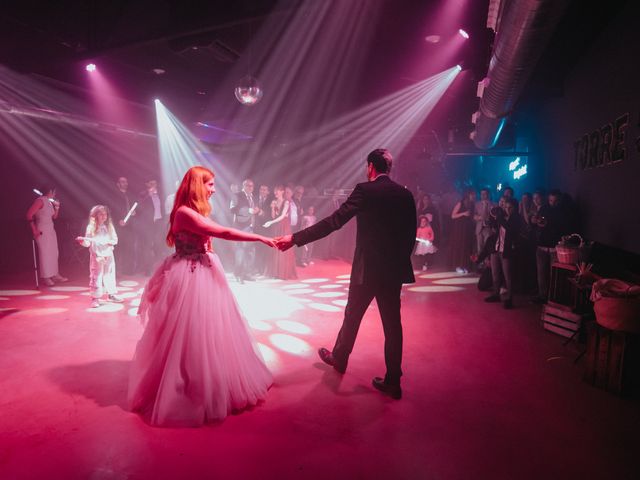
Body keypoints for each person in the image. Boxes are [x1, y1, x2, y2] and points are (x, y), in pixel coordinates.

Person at [128, 166, 275, 427]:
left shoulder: (194, 211)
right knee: (188, 332)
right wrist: (260, 238)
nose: (214, 189)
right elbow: (224, 233)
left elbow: (209, 239)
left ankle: (203, 379)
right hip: (187, 275)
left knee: (209, 330)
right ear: (197, 185)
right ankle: (185, 386)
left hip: (201, 270)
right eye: (209, 184)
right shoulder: (185, 213)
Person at [276, 149, 417, 399]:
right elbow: (410, 235)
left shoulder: (365, 190)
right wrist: (399, 262)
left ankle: (340, 359)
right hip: (393, 270)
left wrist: (296, 239)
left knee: (352, 314)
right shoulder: (405, 194)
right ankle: (393, 381)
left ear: (371, 167)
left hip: (367, 269)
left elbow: (334, 222)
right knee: (393, 325)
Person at [75, 205, 124, 308]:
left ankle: (111, 294)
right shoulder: (91, 227)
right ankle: (95, 297)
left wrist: (109, 243)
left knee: (109, 273)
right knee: (96, 275)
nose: (103, 216)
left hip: (108, 254)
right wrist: (82, 242)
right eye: (101, 214)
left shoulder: (109, 227)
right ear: (95, 215)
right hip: (97, 255)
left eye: (105, 214)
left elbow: (115, 239)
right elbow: (88, 243)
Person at [26, 185, 68, 286]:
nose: (55, 194)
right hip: (42, 229)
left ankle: (55, 274)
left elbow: (54, 217)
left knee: (54, 252)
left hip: (51, 229)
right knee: (45, 253)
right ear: (50, 191)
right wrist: (34, 230)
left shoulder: (49, 202)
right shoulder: (40, 201)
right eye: (54, 192)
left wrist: (57, 207)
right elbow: (29, 215)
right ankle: (46, 277)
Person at [484, 198, 521, 309]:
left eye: (510, 208)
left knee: (508, 276)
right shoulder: (502, 216)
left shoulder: (516, 219)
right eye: (505, 207)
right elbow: (493, 227)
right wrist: (492, 218)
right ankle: (496, 294)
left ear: (514, 208)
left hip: (507, 250)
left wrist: (500, 218)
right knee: (495, 274)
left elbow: (509, 228)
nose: (507, 209)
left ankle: (509, 299)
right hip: (496, 248)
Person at [263, 185, 297, 279]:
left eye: (277, 191)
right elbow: (274, 216)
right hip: (276, 227)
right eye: (274, 191)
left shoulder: (286, 202)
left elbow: (282, 216)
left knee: (283, 248)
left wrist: (271, 222)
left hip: (284, 227)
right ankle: (276, 272)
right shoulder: (275, 201)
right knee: (275, 247)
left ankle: (283, 273)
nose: (275, 193)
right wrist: (272, 208)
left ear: (282, 191)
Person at [230, 179, 257, 283]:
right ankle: (238, 274)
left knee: (250, 252)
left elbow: (252, 211)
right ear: (243, 186)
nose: (251, 188)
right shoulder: (237, 195)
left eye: (252, 186)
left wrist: (256, 211)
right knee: (240, 251)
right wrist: (248, 210)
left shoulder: (252, 197)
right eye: (248, 186)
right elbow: (232, 209)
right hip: (240, 227)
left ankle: (246, 274)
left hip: (250, 227)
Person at [137, 179, 164, 275]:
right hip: (148, 224)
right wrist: (149, 194)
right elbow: (139, 206)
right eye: (151, 183)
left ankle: (158, 268)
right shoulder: (143, 194)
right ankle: (148, 269)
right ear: (147, 184)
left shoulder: (160, 194)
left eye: (154, 183)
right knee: (147, 247)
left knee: (159, 245)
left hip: (159, 223)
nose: (153, 185)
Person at [111, 176, 136, 274]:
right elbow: (112, 209)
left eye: (126, 181)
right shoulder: (115, 195)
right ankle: (116, 271)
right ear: (118, 184)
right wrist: (118, 220)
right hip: (119, 225)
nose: (125, 183)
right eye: (122, 181)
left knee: (129, 248)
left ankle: (128, 270)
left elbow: (134, 207)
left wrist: (135, 212)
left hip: (130, 226)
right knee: (118, 248)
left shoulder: (130, 195)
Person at [448, 189, 476, 274]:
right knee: (459, 246)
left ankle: (464, 265)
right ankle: (457, 266)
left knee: (466, 247)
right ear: (468, 195)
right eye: (472, 195)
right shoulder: (460, 203)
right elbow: (453, 215)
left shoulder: (472, 204)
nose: (474, 197)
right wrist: (463, 213)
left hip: (467, 228)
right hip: (459, 228)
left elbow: (472, 217)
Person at [473, 188, 494, 254]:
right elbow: (473, 215)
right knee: (479, 246)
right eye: (482, 194)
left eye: (485, 194)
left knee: (487, 246)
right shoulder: (477, 204)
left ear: (488, 194)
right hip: (479, 227)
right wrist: (478, 217)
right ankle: (481, 262)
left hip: (488, 228)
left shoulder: (494, 204)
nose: (483, 195)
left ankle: (487, 261)